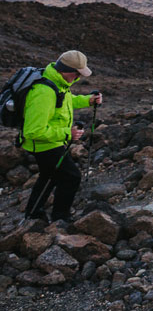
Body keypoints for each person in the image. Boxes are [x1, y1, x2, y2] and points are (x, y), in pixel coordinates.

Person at [21, 50, 102, 223]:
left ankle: (34, 213)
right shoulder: (44, 92)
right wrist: (68, 133)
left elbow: (66, 101)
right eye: (77, 74)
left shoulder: (57, 83)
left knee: (49, 176)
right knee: (71, 176)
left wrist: (88, 100)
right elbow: (32, 131)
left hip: (52, 141)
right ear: (69, 71)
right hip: (44, 144)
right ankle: (60, 218)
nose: (78, 78)